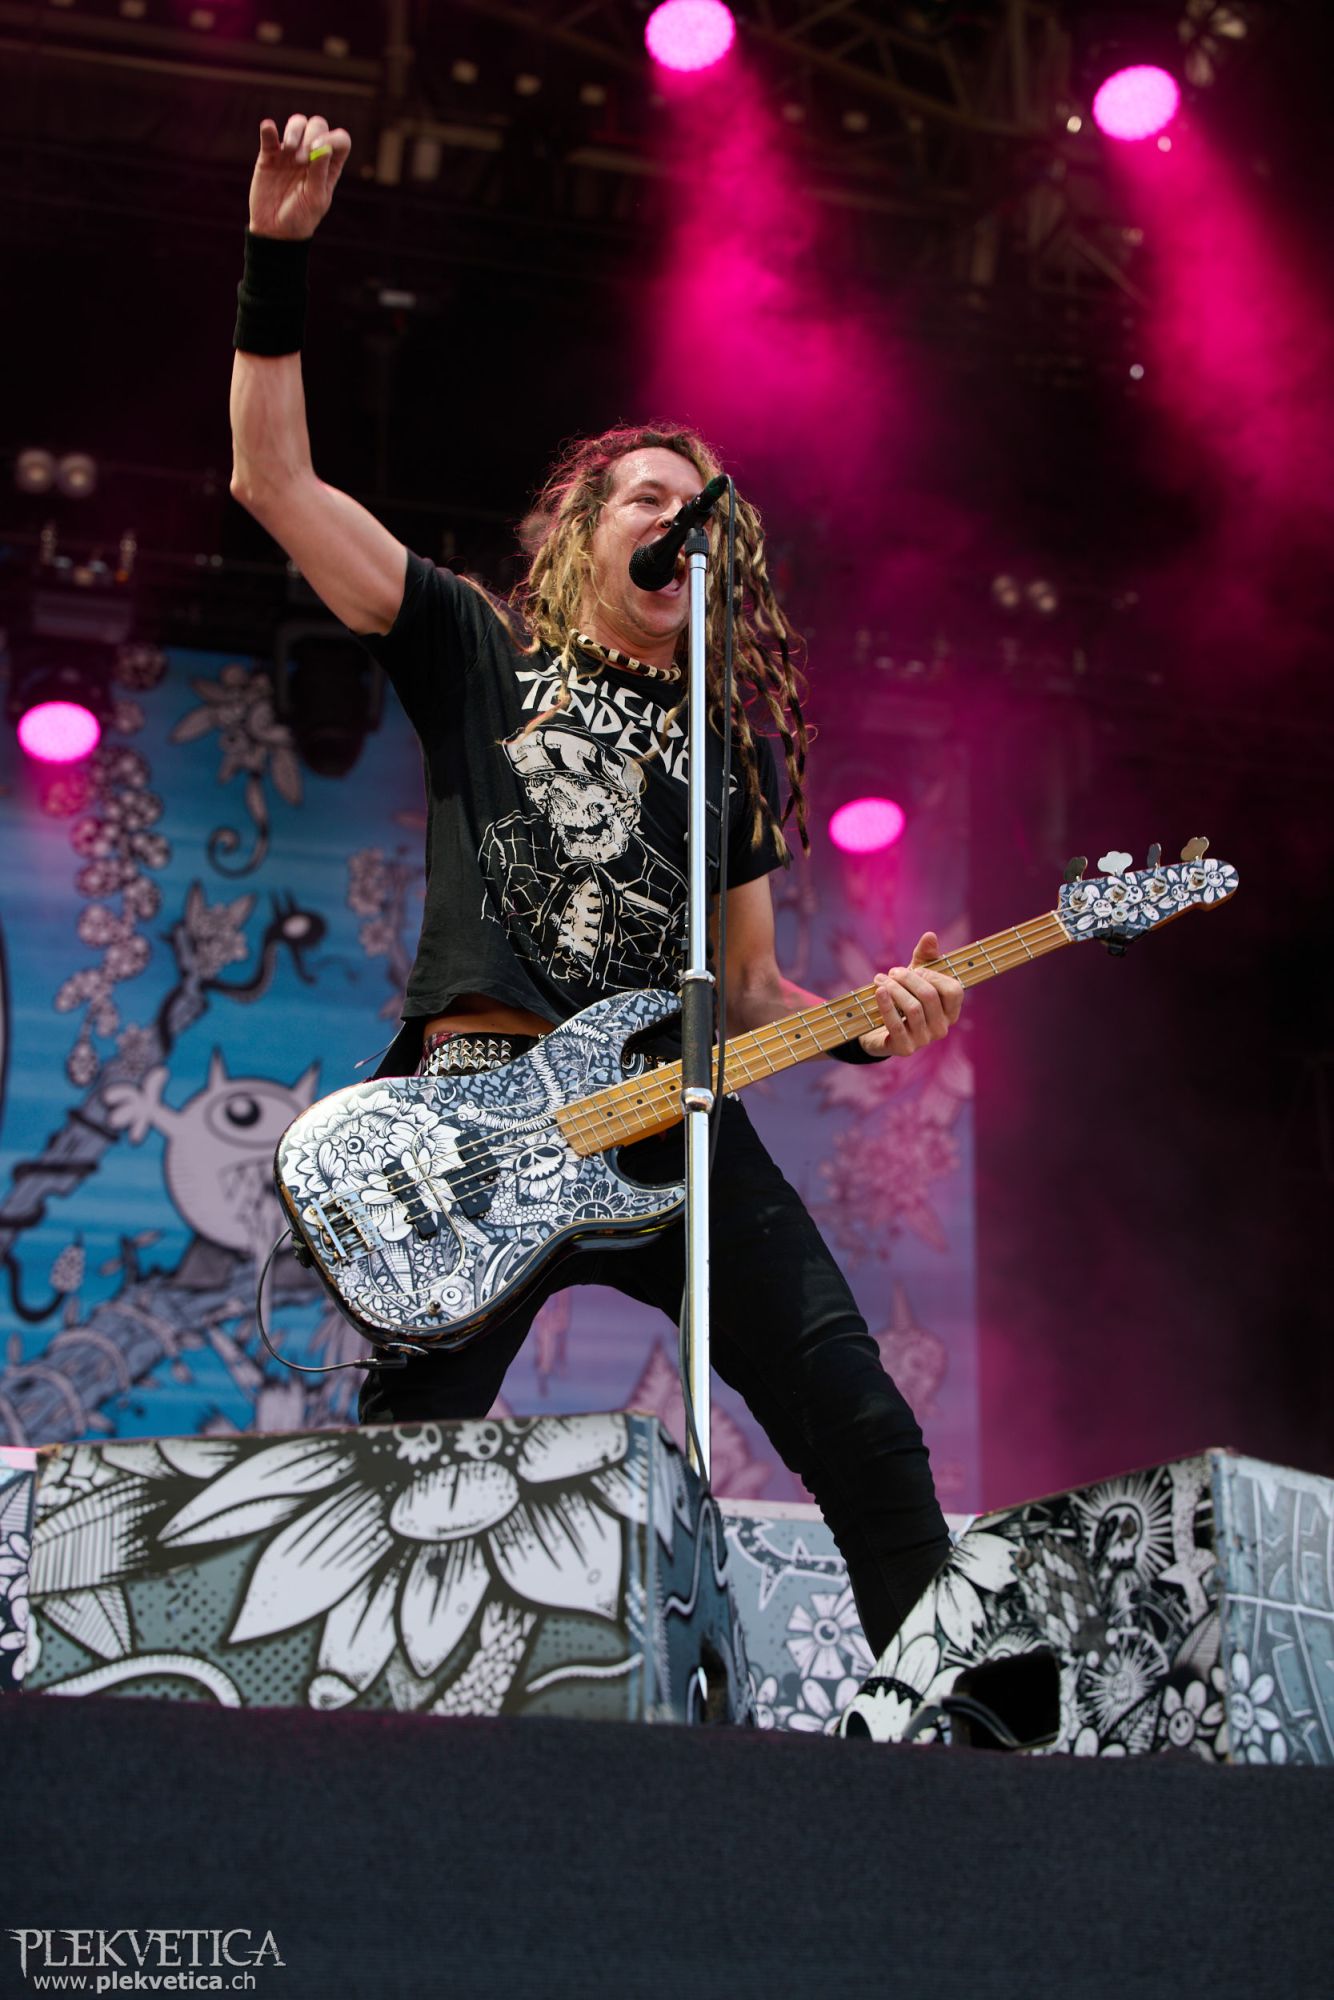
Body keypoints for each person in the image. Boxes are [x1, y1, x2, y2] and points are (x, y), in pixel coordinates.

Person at [230, 113, 965, 1657]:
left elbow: (749, 989)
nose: (675, 523)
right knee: (404, 1467)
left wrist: (865, 1022)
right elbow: (272, 478)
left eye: (698, 513)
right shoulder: (476, 650)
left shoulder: (727, 752)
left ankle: (944, 1706)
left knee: (854, 1410)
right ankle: (355, 1744)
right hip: (485, 1107)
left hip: (674, 1117)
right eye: (645, 498)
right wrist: (276, 255)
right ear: (579, 534)